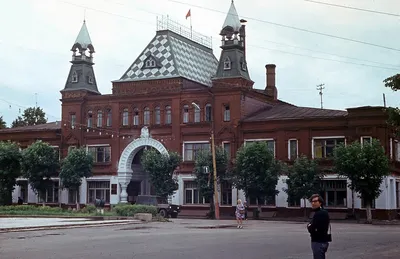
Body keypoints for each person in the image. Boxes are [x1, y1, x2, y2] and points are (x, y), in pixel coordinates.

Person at [307, 194, 331, 259]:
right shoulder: (322, 212)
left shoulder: (320, 213)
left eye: (315, 201)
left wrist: (309, 226)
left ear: (320, 202)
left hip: (318, 242)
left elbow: (312, 228)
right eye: (312, 201)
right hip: (322, 241)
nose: (313, 203)